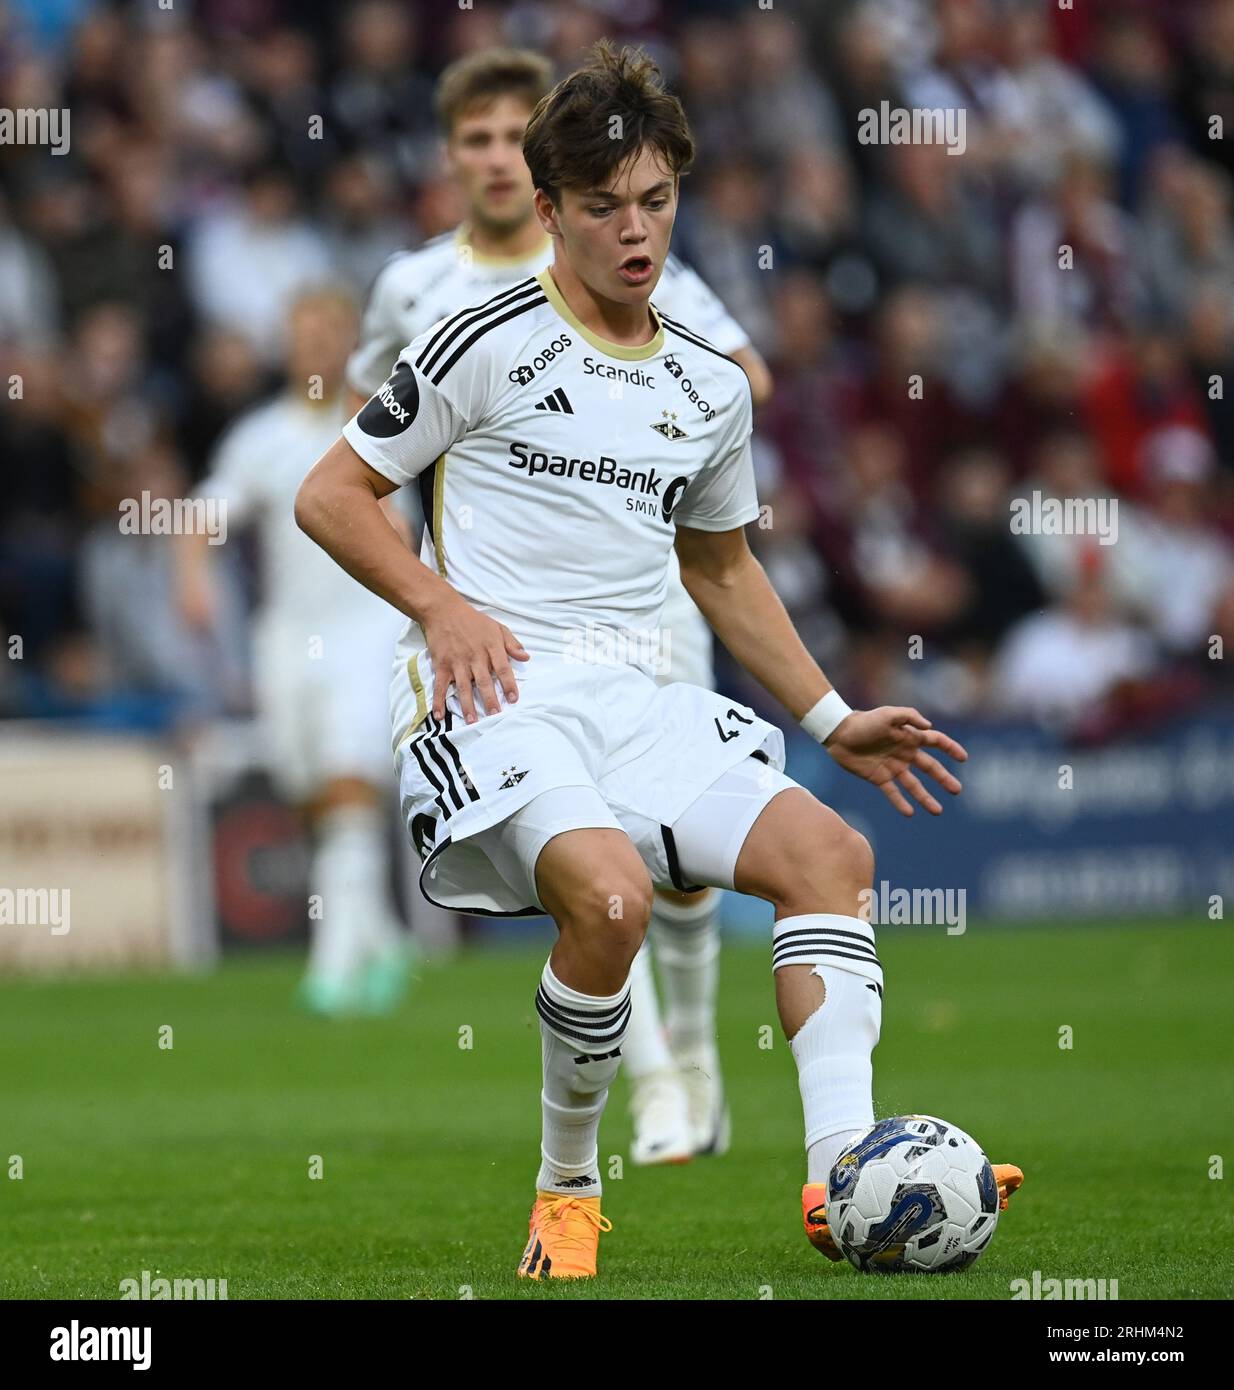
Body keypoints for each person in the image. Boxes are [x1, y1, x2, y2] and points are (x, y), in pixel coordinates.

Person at [297, 43, 1023, 1280]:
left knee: (830, 854)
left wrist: (831, 711)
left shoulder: (707, 382)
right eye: (601, 207)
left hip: (640, 691)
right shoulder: (477, 340)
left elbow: (725, 569)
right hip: (495, 690)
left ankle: (842, 1173)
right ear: (549, 212)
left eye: (655, 201)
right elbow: (333, 494)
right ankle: (569, 1186)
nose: (634, 232)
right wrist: (439, 605)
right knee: (613, 901)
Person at [345, 46, 777, 1165]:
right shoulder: (417, 290)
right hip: (502, 614)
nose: (491, 157)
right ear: (456, 160)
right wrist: (427, 590)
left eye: (507, 134)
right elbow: (361, 441)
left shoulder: (635, 257)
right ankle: (651, 1093)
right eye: (474, 140)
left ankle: (694, 1060)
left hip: (647, 594)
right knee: (602, 876)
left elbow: (742, 381)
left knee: (677, 857)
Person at [179, 288, 415, 1015]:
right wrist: (191, 573)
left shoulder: (386, 426)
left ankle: (333, 970)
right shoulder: (261, 437)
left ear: (350, 340)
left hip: (367, 628)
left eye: (328, 331)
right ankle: (381, 942)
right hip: (287, 635)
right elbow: (201, 514)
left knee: (350, 782)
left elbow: (412, 535)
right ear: (285, 342)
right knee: (312, 793)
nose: (314, 345)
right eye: (302, 332)